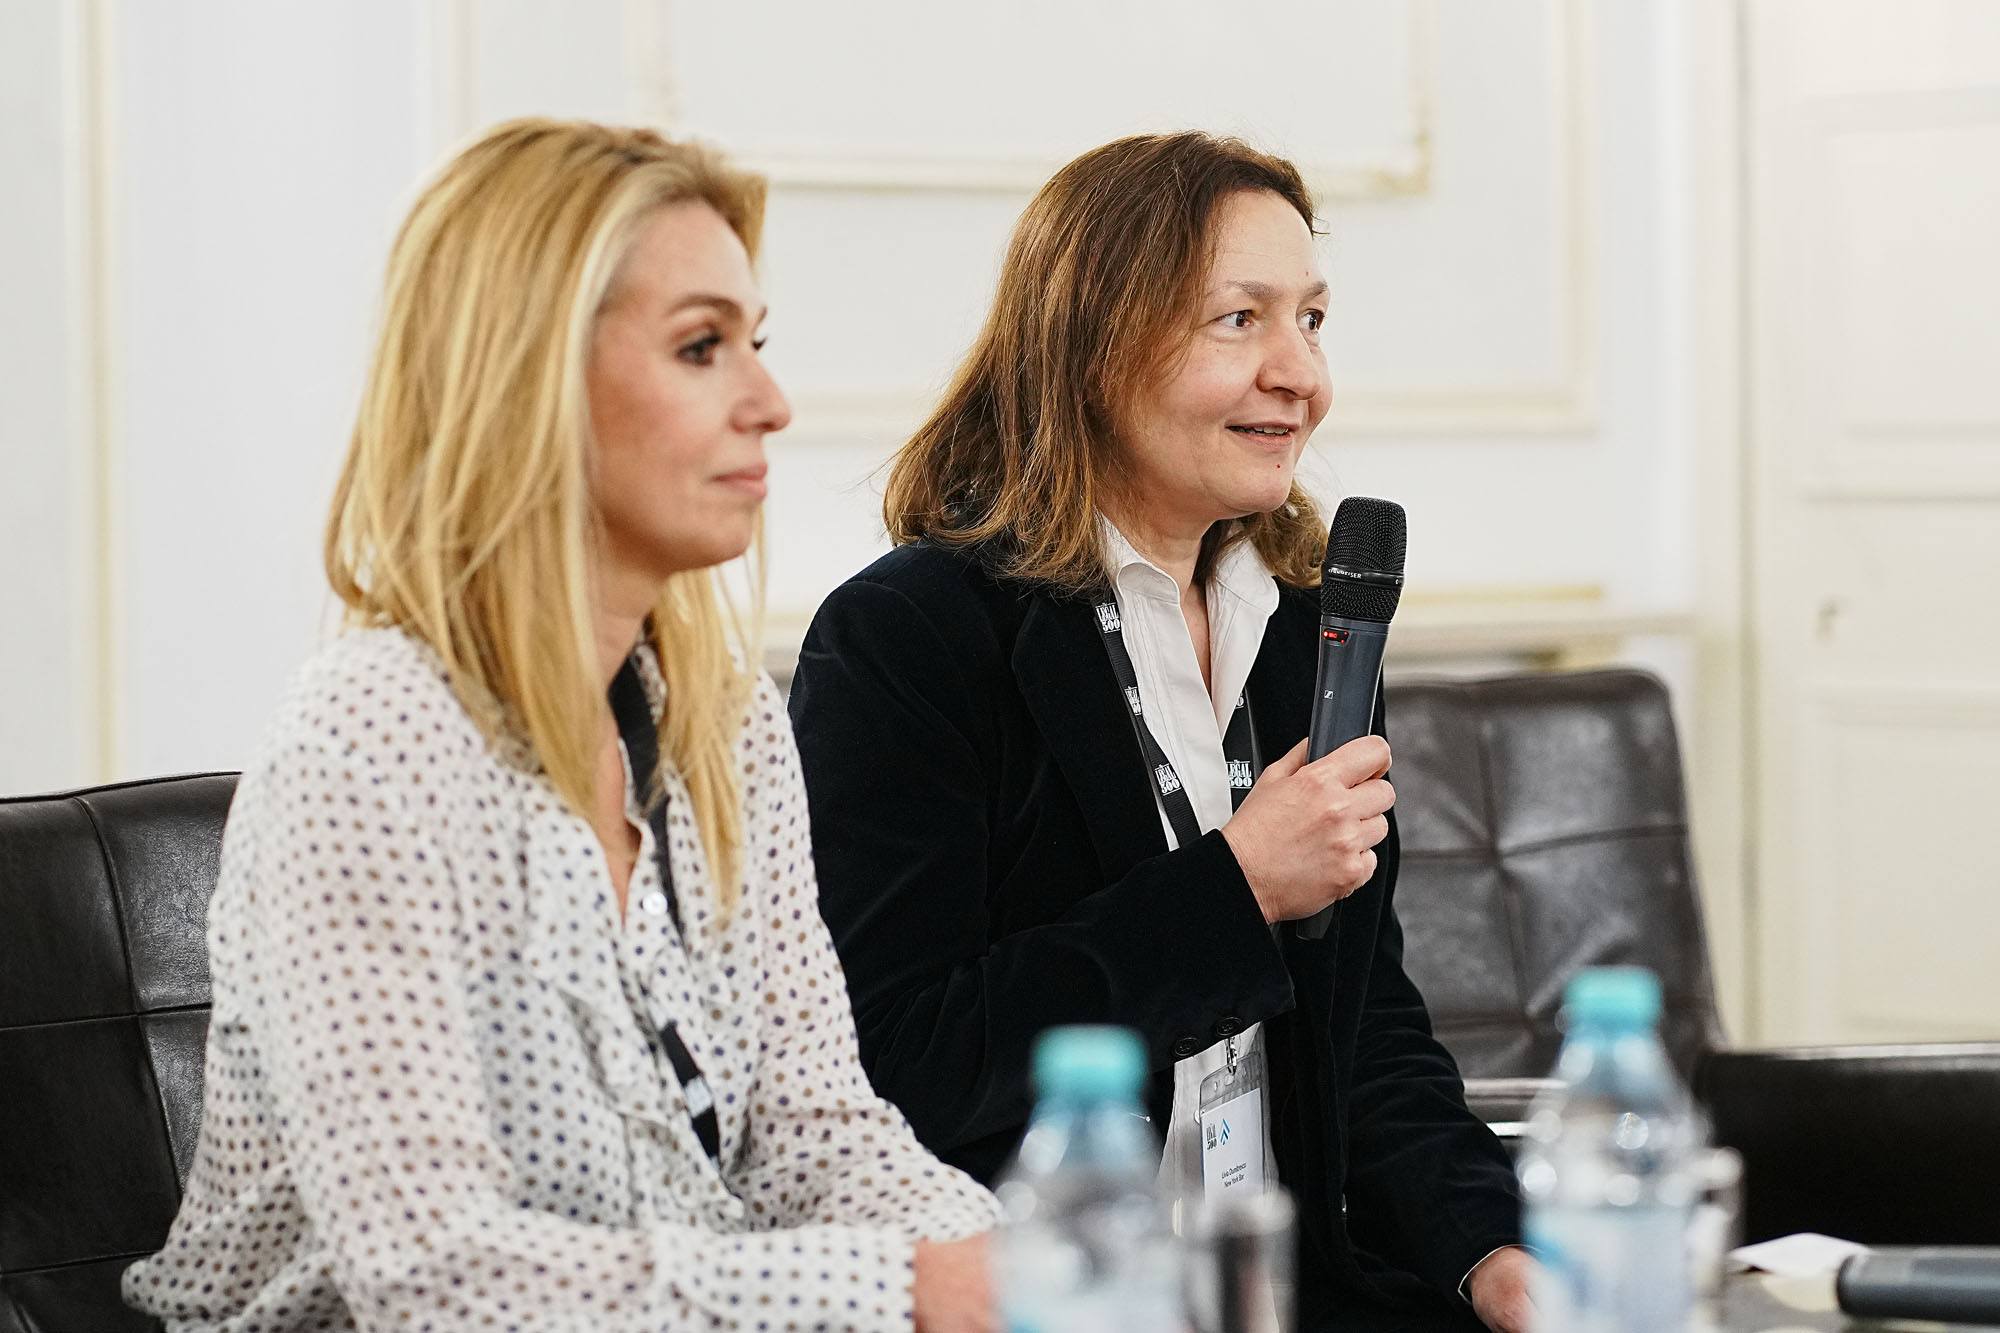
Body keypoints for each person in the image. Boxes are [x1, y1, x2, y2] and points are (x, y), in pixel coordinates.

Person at [122, 118, 997, 1333]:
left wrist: (1021, 1270)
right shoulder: (365, 742)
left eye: (755, 344)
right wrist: (897, 1288)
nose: (771, 402)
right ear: (524, 380)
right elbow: (429, 1272)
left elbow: (815, 1136)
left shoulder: (723, 720)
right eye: (701, 347)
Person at [787, 132, 1533, 1333]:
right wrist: (1235, 890)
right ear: (1091, 346)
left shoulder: (1307, 630)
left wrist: (1491, 1250)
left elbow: (1365, 1033)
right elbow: (898, 1062)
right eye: (1238, 320)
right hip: (1055, 1298)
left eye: (1311, 319)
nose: (1299, 373)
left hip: (1286, 1295)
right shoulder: (908, 637)